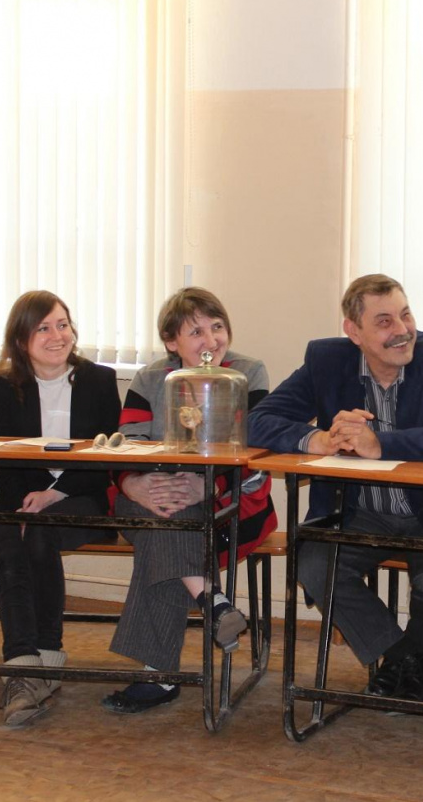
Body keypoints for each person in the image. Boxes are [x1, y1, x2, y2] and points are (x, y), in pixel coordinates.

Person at [248, 274, 423, 704]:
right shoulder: (326, 360)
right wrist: (317, 439)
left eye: (406, 315)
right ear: (353, 332)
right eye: (385, 321)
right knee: (314, 565)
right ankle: (408, 661)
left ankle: (404, 662)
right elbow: (257, 421)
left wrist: (381, 445)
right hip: (359, 512)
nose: (403, 330)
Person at [101, 287, 276, 714]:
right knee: (165, 514)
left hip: (226, 501)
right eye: (196, 332)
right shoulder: (148, 379)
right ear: (171, 341)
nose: (211, 340)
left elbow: (256, 448)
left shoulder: (248, 373)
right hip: (148, 493)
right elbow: (128, 446)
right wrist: (134, 485)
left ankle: (159, 674)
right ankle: (213, 602)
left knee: (166, 527)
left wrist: (208, 487)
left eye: (217, 327)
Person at [0, 290, 121, 726]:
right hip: (20, 495)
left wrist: (55, 493)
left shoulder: (99, 380)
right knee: (11, 540)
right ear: (21, 340)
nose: (57, 335)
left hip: (85, 498)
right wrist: (28, 502)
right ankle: (24, 666)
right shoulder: (7, 387)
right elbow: (7, 460)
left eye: (62, 325)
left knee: (42, 530)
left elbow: (108, 459)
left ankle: (43, 657)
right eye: (43, 328)